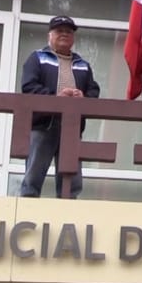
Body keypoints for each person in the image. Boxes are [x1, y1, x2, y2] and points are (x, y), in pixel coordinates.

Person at [19, 15, 101, 199]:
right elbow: (28, 86)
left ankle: (68, 213)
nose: (64, 34)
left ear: (73, 38)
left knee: (71, 178)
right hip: (43, 124)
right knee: (33, 174)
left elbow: (94, 90)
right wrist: (55, 98)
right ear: (50, 35)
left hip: (71, 126)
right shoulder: (37, 58)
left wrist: (84, 97)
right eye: (59, 31)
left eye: (69, 32)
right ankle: (26, 210)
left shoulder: (83, 65)